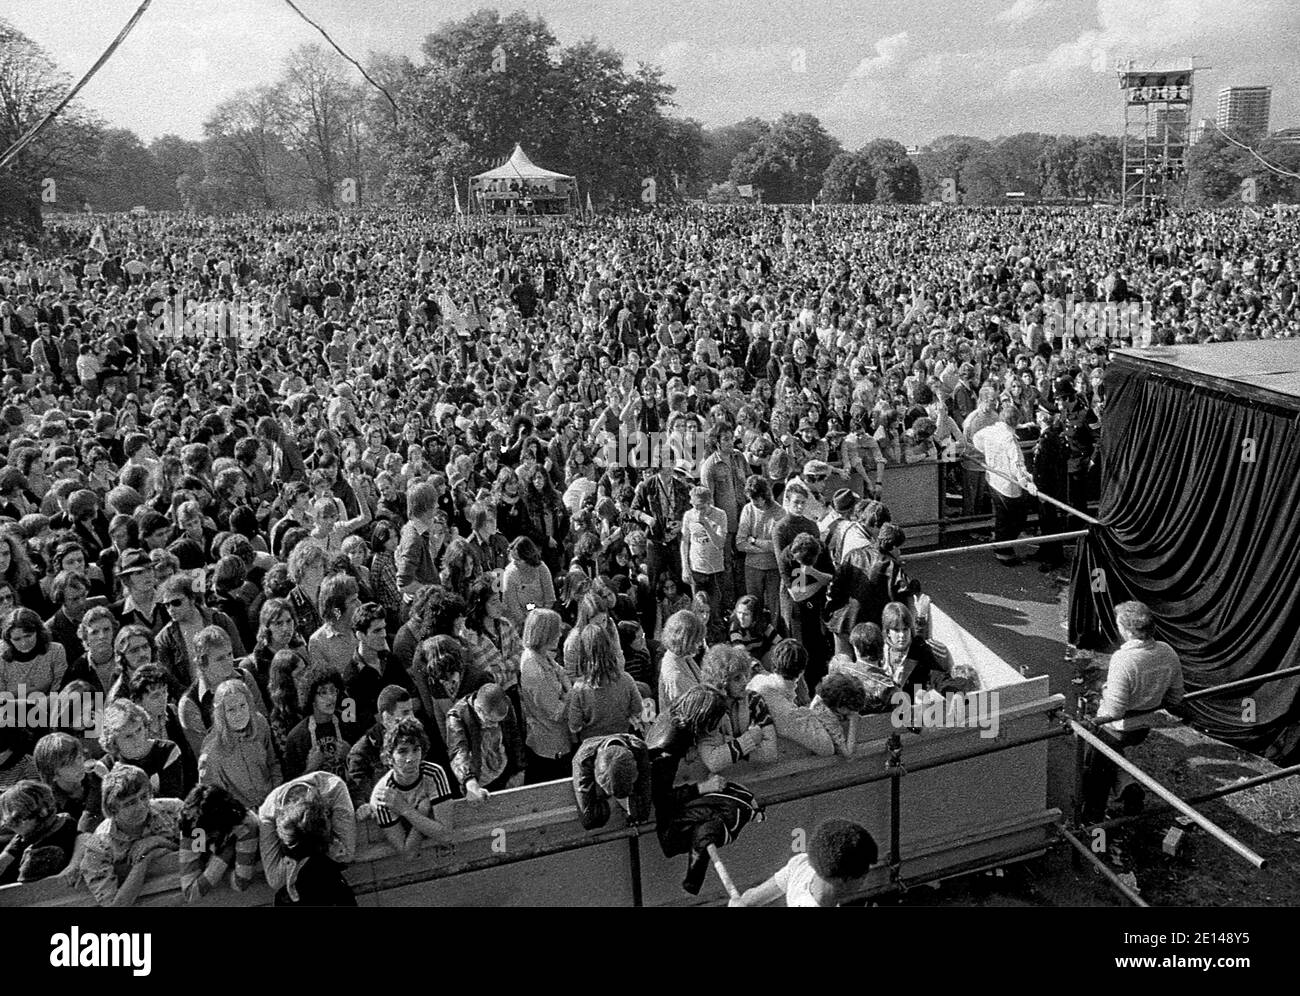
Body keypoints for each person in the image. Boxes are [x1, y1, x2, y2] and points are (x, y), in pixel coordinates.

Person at [1082, 601, 1186, 820]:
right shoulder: (1167, 652)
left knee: (1096, 772)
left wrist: (1104, 689)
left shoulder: (1124, 659)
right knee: (1111, 758)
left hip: (1117, 727)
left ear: (1127, 631)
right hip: (1143, 726)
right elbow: (1176, 697)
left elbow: (1115, 710)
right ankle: (1128, 788)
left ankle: (1093, 818)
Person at [80, 763, 182, 907]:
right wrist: (144, 860)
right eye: (130, 803)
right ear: (113, 808)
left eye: (144, 796)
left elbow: (202, 848)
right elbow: (115, 906)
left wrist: (159, 842)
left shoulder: (173, 810)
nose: (141, 806)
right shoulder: (98, 847)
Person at [729, 818, 878, 907]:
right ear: (845, 880)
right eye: (864, 874)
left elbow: (750, 899)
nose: (865, 878)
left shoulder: (802, 864)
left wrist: (739, 902)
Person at [257, 770, 356, 895]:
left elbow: (346, 853)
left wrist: (299, 859)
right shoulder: (268, 811)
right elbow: (275, 879)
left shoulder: (335, 788)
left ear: (326, 813)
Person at [370, 717, 454, 859]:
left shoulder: (433, 774)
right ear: (390, 757)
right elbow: (408, 854)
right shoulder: (382, 796)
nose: (411, 758)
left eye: (416, 750)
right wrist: (420, 811)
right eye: (403, 751)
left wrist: (408, 812)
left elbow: (446, 836)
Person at [198, 677, 282, 810]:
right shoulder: (211, 752)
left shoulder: (260, 724)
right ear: (221, 714)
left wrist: (276, 795)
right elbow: (214, 801)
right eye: (231, 710)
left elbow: (273, 763)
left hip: (272, 799)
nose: (239, 714)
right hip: (241, 815)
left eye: (243, 706)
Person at [971, 402, 1039, 566]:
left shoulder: (989, 431)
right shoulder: (1009, 439)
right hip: (1007, 485)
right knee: (1016, 518)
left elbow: (976, 439)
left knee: (1002, 518)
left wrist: (986, 453)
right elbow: (1018, 464)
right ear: (1015, 422)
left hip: (993, 479)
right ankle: (1003, 550)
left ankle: (1002, 548)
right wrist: (1027, 483)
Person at [517, 607, 574, 784]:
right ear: (545, 634)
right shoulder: (535, 671)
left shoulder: (540, 655)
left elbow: (562, 672)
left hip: (555, 737)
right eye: (556, 632)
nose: (559, 635)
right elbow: (557, 712)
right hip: (550, 746)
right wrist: (572, 695)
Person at [177, 783, 260, 901]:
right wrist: (227, 852)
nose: (199, 838)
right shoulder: (192, 824)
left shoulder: (244, 826)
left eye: (205, 834)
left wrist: (212, 867)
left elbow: (241, 883)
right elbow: (191, 893)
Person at [446, 682, 527, 801]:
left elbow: (515, 736)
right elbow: (458, 752)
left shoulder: (505, 703)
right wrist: (470, 783)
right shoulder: (457, 716)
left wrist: (520, 770)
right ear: (478, 709)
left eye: (499, 721)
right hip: (477, 781)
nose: (496, 725)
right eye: (491, 721)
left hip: (504, 772)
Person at [566, 624, 643, 744]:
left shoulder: (579, 688)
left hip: (592, 746)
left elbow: (574, 725)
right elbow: (637, 709)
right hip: (621, 741)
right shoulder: (626, 679)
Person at [97, 698, 188, 799]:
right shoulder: (105, 766)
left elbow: (171, 799)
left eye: (139, 729)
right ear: (113, 741)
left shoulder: (167, 751)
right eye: (128, 736)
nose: (137, 738)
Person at [0, 780, 79, 884]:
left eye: (11, 822)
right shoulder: (65, 821)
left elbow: (23, 891)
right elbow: (7, 856)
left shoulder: (37, 855)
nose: (8, 827)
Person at [571, 732, 652, 831]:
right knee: (591, 818)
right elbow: (588, 819)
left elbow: (643, 809)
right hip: (589, 757)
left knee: (640, 813)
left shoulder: (639, 749)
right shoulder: (583, 759)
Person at [679, 484, 728, 626]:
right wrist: (685, 567)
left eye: (702, 507)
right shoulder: (688, 516)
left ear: (709, 503)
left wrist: (705, 524)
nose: (698, 511)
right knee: (698, 610)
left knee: (715, 609)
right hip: (696, 569)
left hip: (715, 570)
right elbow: (685, 542)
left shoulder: (720, 515)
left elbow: (720, 543)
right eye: (695, 507)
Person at [657, 608, 706, 708]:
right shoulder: (675, 675)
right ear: (685, 640)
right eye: (697, 640)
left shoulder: (683, 657)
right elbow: (691, 709)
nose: (700, 644)